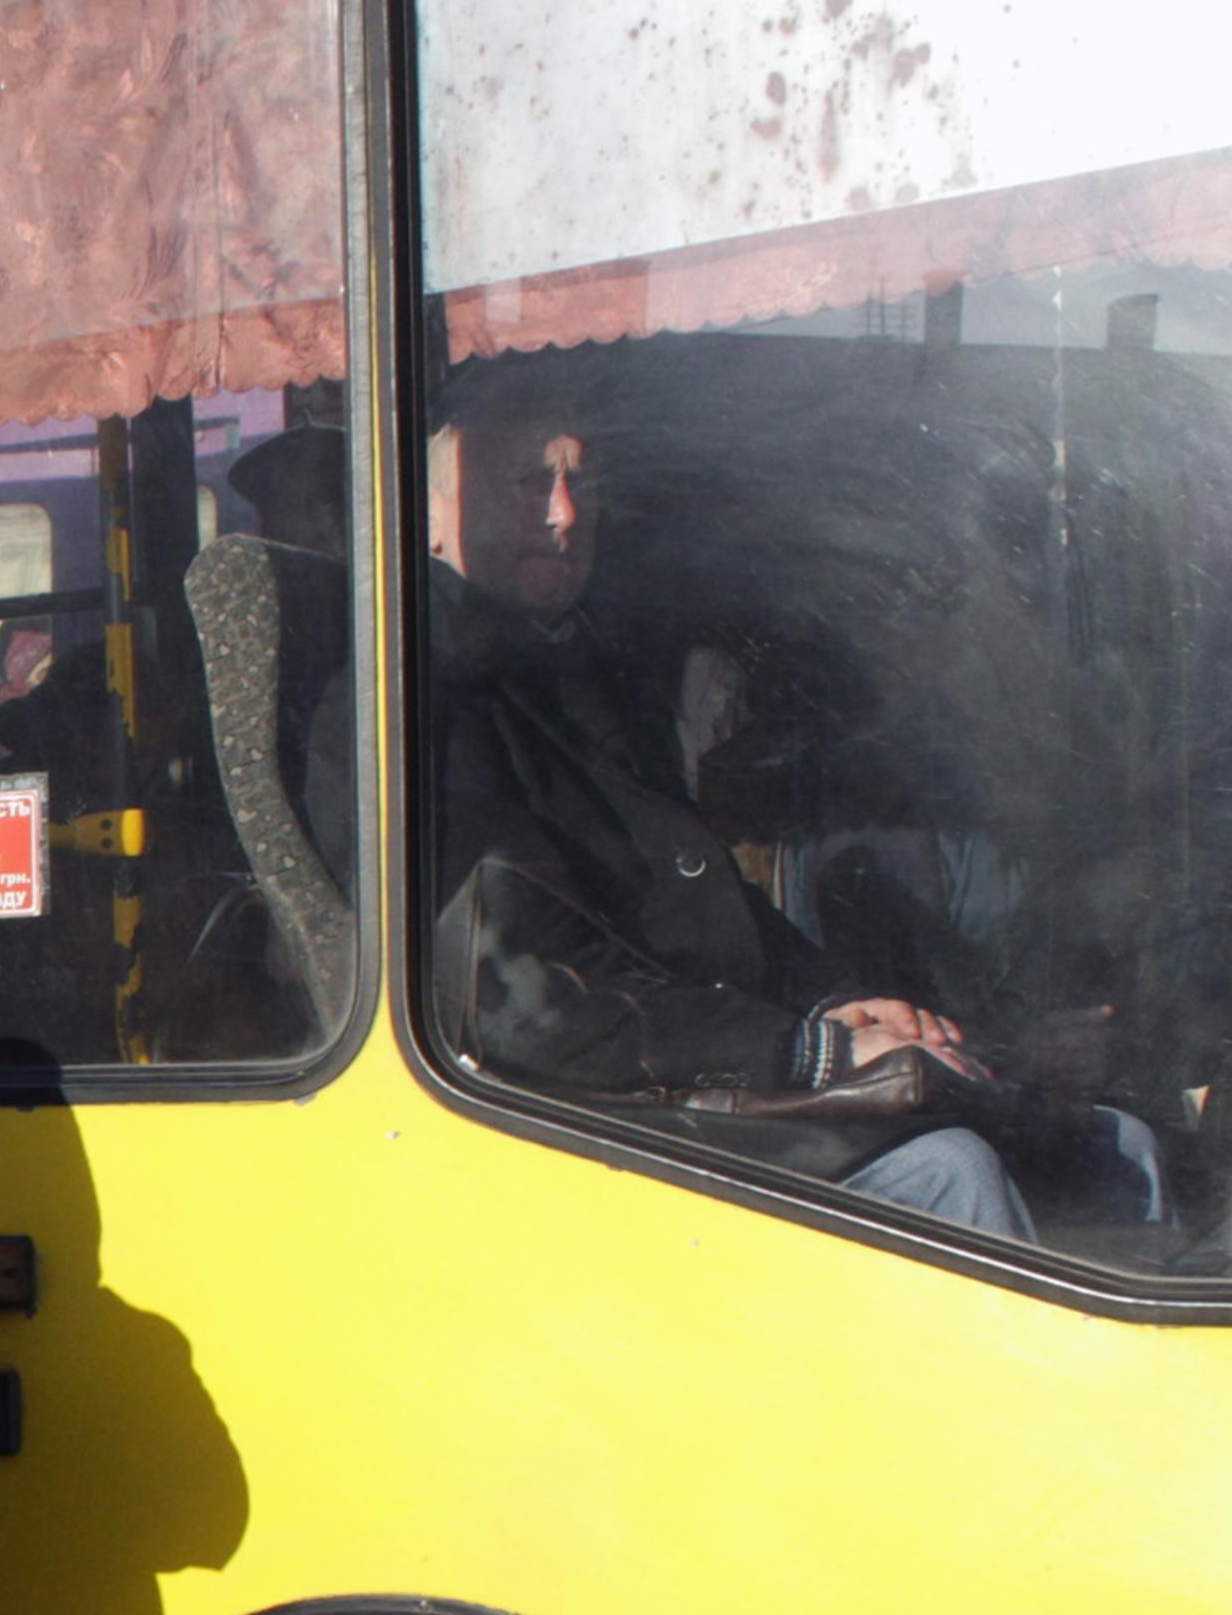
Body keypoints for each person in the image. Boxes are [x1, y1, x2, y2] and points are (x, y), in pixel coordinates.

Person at [420, 384, 1101, 1241]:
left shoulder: (581, 682)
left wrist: (838, 1007)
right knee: (951, 1173)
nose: (562, 514)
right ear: (433, 513)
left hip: (692, 1076)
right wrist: (807, 1052)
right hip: (577, 1127)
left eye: (580, 485)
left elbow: (705, 911)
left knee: (1107, 1143)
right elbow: (524, 1004)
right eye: (524, 482)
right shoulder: (414, 705)